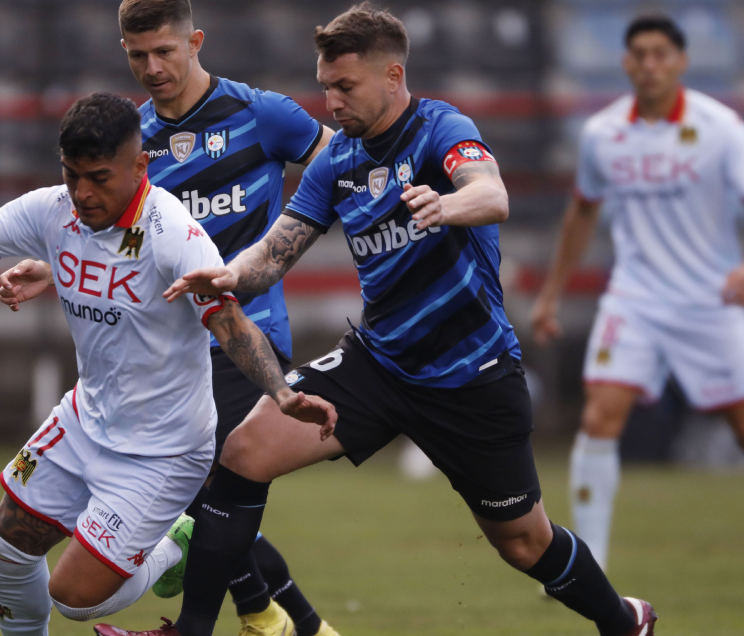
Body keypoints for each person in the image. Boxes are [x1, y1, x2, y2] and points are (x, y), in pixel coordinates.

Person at [96, 5, 656, 636]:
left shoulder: (441, 127)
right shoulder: (338, 162)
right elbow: (274, 253)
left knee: (524, 542)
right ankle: (195, 630)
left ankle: (622, 621)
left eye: (345, 87)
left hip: (470, 376)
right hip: (379, 363)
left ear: (393, 76)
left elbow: (491, 193)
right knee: (245, 451)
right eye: (326, 86)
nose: (331, 102)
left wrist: (447, 205)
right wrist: (226, 276)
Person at [0, 93, 336, 636]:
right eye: (72, 174)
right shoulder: (54, 210)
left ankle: (176, 543)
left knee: (74, 599)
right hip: (85, 420)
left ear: (140, 165)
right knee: (8, 543)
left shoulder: (172, 233)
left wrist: (282, 394)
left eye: (99, 178)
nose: (82, 192)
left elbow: (229, 322)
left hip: (163, 450)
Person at [530, 14, 744, 594]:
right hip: (635, 299)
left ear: (681, 61)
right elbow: (583, 212)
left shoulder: (720, 127)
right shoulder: (603, 133)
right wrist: (552, 293)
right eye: (640, 54)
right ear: (626, 63)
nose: (650, 64)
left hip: (710, 301)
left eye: (661, 54)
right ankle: (588, 572)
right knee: (599, 419)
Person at [119, 2, 338, 635]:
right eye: (137, 56)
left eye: (164, 51)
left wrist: (289, 241)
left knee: (206, 491)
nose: (152, 68)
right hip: (170, 346)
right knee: (205, 502)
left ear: (195, 41)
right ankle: (289, 622)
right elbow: (118, 236)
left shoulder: (261, 114)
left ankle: (249, 621)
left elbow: (343, 168)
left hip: (248, 335)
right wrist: (50, 268)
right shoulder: (132, 141)